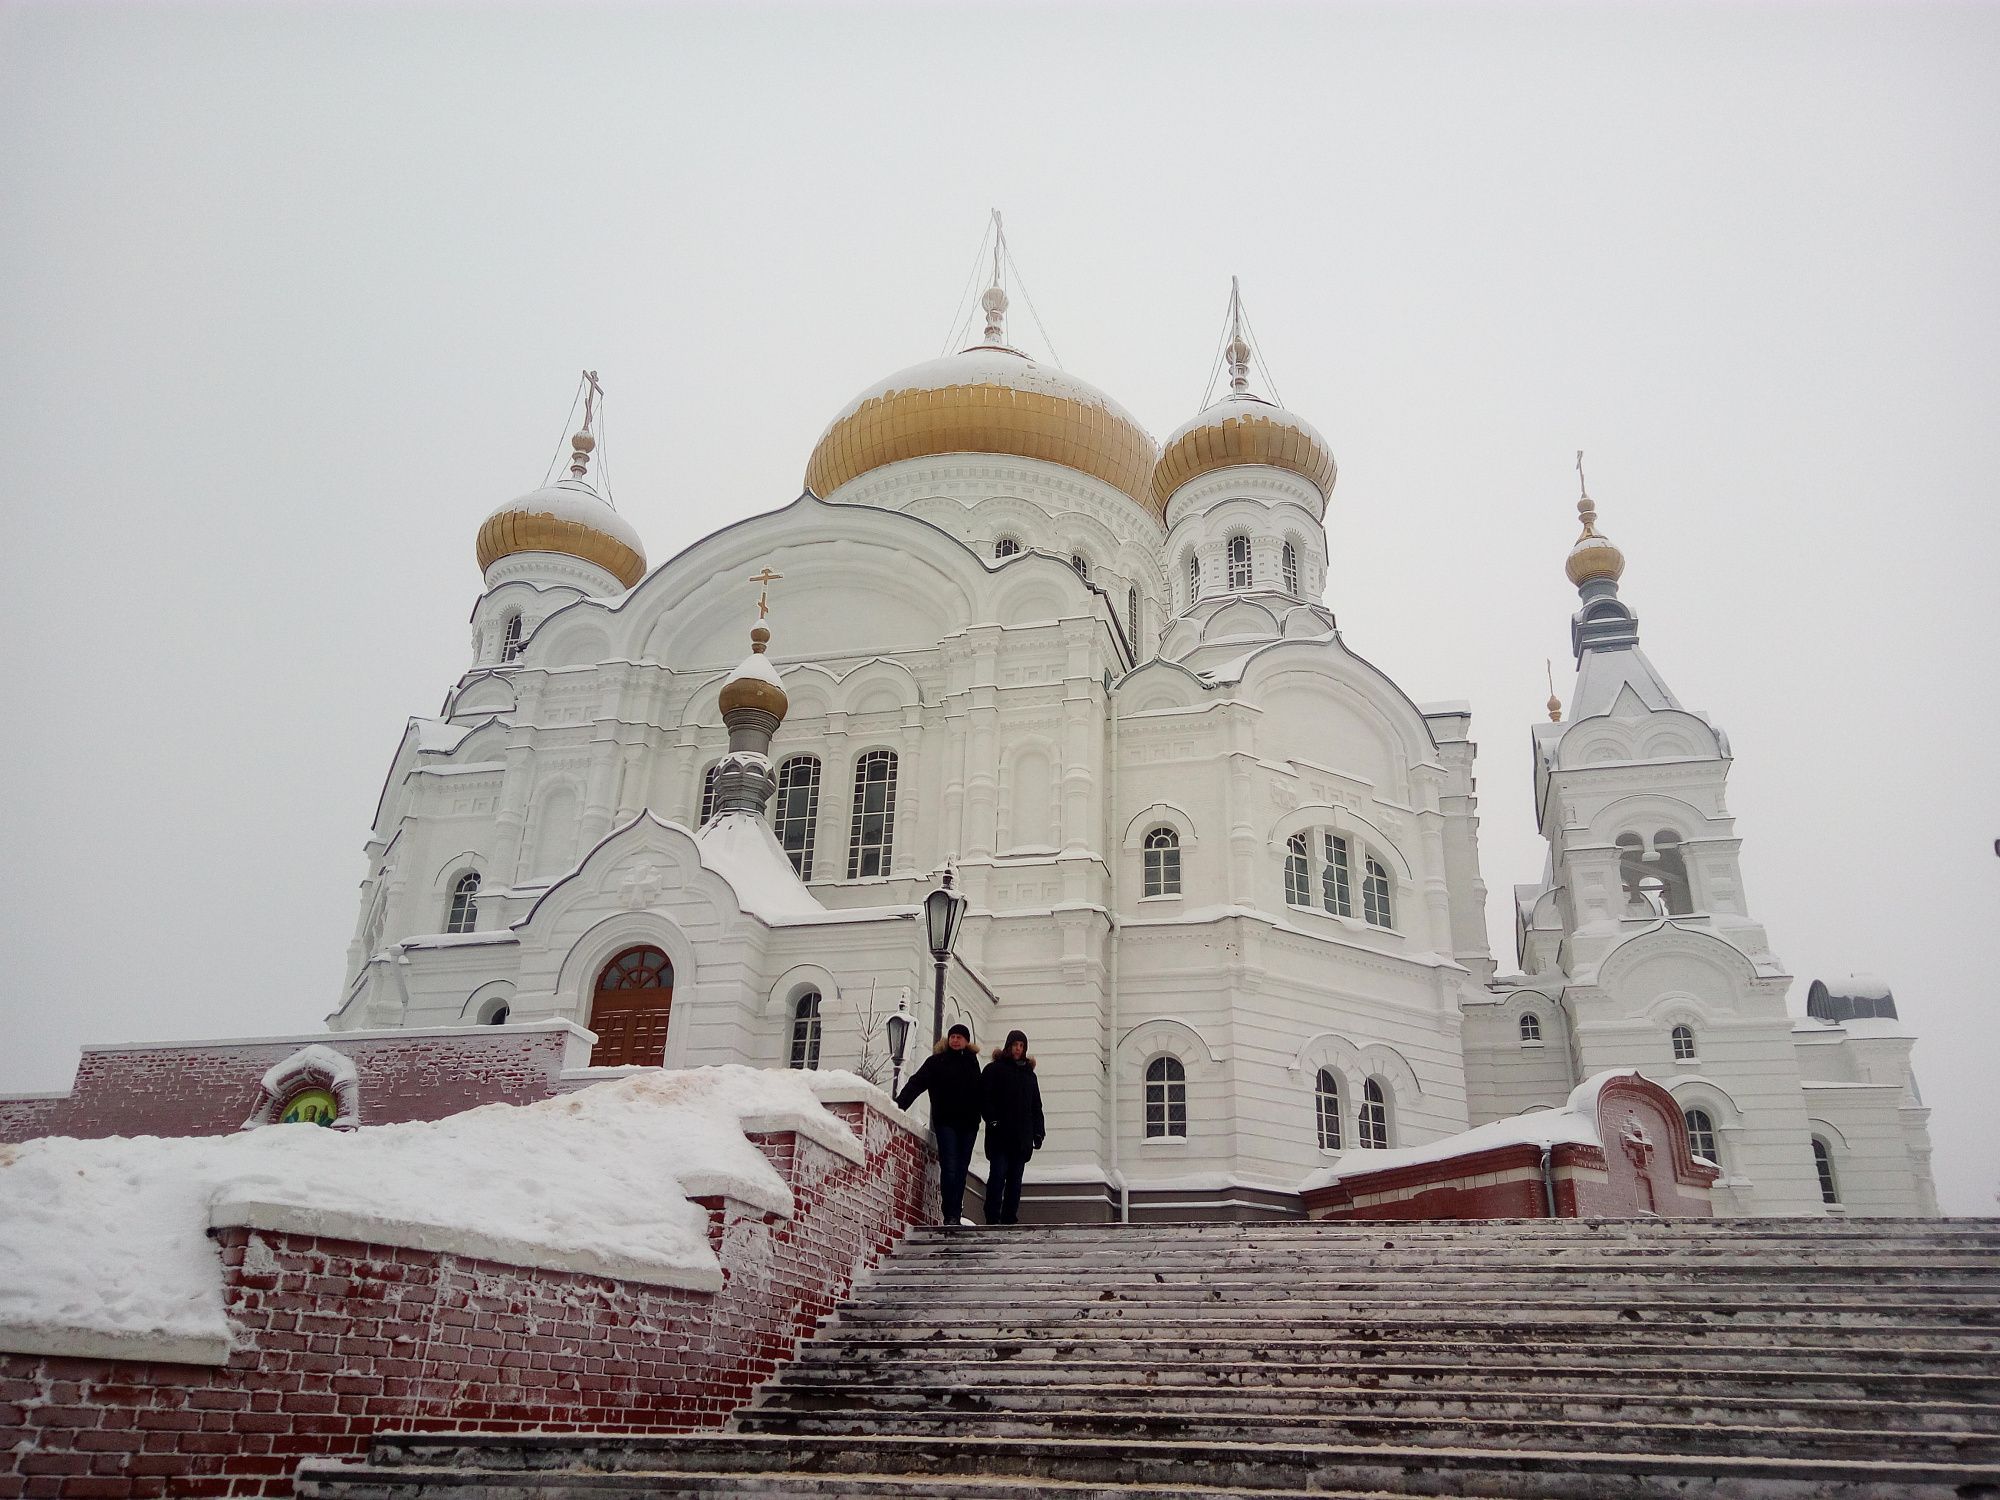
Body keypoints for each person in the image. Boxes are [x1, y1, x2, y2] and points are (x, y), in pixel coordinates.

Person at [894, 1023, 982, 1225]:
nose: (955, 1040)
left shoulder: (972, 1063)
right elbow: (917, 1083)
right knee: (949, 1167)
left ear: (967, 1041)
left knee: (961, 1170)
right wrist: (899, 1105)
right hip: (946, 1123)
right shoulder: (937, 1062)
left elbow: (982, 1094)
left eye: (960, 1037)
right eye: (953, 1036)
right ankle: (949, 1214)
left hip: (968, 1125)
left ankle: (955, 1214)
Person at [979, 1028, 1043, 1226]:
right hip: (999, 1136)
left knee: (1015, 1182)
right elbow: (984, 1098)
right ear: (1008, 1046)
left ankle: (1009, 1218)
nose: (1018, 1049)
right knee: (997, 1177)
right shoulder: (994, 1070)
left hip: (1021, 1139)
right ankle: (992, 1217)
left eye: (1021, 1046)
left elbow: (1036, 1106)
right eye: (1015, 1045)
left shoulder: (1029, 1077)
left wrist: (1038, 1132)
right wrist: (993, 1120)